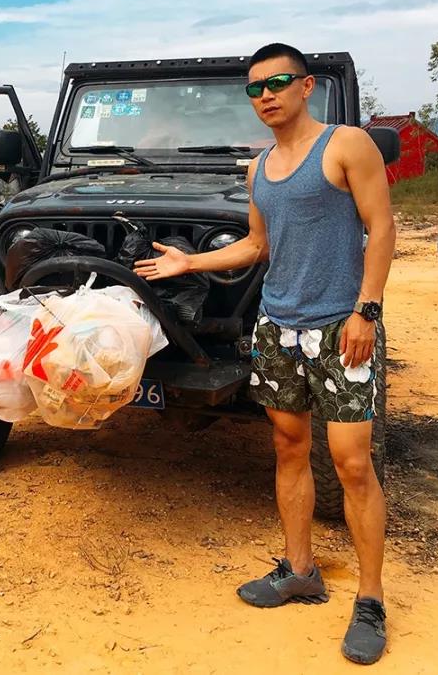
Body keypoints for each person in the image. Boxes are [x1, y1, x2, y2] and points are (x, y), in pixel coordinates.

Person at [135, 43, 395, 665]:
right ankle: (300, 570)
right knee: (287, 447)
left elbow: (383, 227)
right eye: (255, 88)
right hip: (278, 329)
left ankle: (371, 600)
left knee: (353, 464)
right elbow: (256, 245)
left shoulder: (346, 145)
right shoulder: (259, 169)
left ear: (307, 87)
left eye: (277, 83)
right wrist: (190, 261)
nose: (266, 95)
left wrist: (367, 311)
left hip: (342, 327)